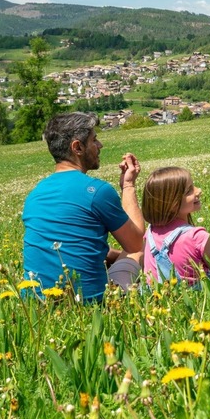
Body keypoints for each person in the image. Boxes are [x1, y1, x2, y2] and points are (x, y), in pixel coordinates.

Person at [21, 112, 146, 301]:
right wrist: (128, 186)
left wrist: (113, 256)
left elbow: (71, 243)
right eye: (94, 140)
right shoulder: (96, 191)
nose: (100, 145)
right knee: (138, 254)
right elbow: (136, 243)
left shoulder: (34, 196)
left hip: (35, 303)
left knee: (119, 256)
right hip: (90, 306)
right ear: (77, 147)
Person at [141, 166, 210, 286]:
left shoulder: (150, 232)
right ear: (172, 203)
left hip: (156, 298)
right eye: (189, 191)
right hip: (198, 299)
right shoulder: (197, 236)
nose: (198, 191)